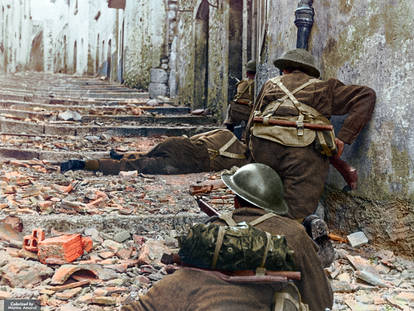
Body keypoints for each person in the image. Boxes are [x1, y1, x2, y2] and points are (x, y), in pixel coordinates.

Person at [121, 163, 333, 311]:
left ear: (236, 202)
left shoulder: (212, 231)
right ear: (275, 206)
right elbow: (322, 300)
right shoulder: (294, 233)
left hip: (176, 294)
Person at [248, 48, 376, 221]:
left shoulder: (270, 84)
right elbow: (366, 95)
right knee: (296, 212)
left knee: (258, 202)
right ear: (311, 72)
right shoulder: (322, 87)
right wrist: (343, 138)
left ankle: (256, 233)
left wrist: (247, 150)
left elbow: (252, 119)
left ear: (284, 69)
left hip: (262, 147)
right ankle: (291, 237)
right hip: (302, 154)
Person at [60, 129, 249, 175]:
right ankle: (83, 164)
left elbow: (197, 136)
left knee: (146, 155)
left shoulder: (227, 134)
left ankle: (123, 154)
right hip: (184, 164)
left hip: (178, 144)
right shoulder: (238, 165)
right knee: (136, 166)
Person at [224, 60, 256, 136]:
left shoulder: (241, 83)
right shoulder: (256, 83)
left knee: (230, 109)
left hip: (237, 110)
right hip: (250, 110)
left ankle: (229, 130)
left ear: (247, 73)